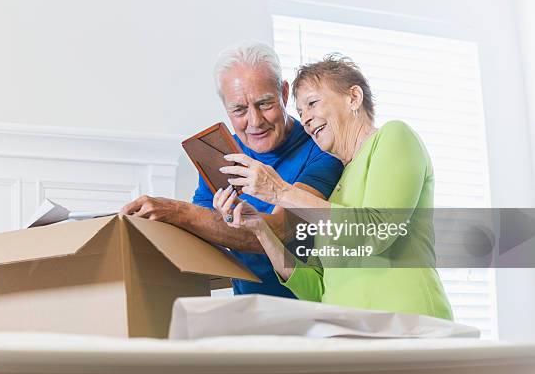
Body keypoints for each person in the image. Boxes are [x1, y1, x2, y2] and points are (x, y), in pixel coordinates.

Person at [214, 53, 453, 320]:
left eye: (313, 103)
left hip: (412, 327)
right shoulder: (336, 186)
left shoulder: (393, 137)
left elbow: (377, 231)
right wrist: (260, 228)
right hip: (350, 337)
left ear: (354, 97)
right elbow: (315, 288)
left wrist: (280, 192)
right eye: (301, 112)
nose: (305, 119)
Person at [120, 42, 343, 298]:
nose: (255, 121)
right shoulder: (221, 154)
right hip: (249, 308)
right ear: (225, 107)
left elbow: (284, 231)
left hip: (312, 306)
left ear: (283, 93)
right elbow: (201, 235)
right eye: (239, 109)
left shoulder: (321, 148)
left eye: (265, 104)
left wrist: (177, 211)